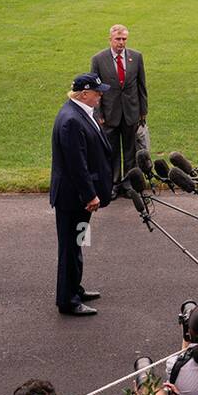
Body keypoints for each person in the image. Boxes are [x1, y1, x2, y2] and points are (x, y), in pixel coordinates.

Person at [50, 73, 114, 316]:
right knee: (69, 248)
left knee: (76, 244)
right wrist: (90, 195)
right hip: (74, 199)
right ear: (84, 94)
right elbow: (76, 165)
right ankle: (68, 301)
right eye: (98, 92)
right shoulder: (72, 121)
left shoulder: (79, 113)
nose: (101, 95)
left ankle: (74, 288)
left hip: (75, 198)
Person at [90, 24, 148, 183]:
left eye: (124, 39)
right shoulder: (98, 59)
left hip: (131, 113)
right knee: (112, 151)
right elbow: (95, 90)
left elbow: (141, 86)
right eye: (118, 39)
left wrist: (143, 111)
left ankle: (129, 184)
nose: (121, 42)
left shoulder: (136, 57)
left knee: (131, 151)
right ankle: (114, 183)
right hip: (109, 114)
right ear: (110, 39)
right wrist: (98, 113)